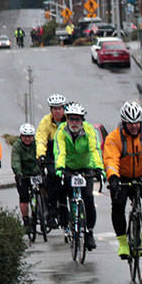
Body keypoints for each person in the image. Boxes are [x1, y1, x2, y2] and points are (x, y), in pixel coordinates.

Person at [104, 101, 142, 261]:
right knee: (118, 205)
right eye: (130, 123)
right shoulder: (114, 138)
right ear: (124, 123)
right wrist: (113, 177)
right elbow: (111, 159)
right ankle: (123, 243)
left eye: (137, 123)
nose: (134, 126)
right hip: (122, 176)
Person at [53, 103, 103, 250]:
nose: (74, 122)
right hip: (68, 166)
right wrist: (60, 168)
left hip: (85, 166)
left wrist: (99, 168)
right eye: (71, 119)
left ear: (82, 120)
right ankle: (64, 216)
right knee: (61, 188)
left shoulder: (89, 130)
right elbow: (60, 151)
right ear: (67, 119)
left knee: (88, 198)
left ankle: (89, 233)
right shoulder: (61, 131)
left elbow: (95, 150)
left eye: (77, 119)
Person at [36, 94, 68, 225]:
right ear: (51, 110)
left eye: (59, 108)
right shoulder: (46, 121)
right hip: (51, 154)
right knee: (52, 178)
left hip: (66, 153)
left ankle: (66, 210)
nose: (57, 111)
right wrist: (41, 155)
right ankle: (52, 213)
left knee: (67, 180)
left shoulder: (69, 119)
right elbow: (41, 139)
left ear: (64, 109)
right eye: (54, 109)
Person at [11, 123, 42, 232]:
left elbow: (41, 155)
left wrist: (41, 168)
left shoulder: (37, 144)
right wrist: (18, 172)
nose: (27, 139)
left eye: (30, 136)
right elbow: (15, 160)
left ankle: (45, 210)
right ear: (21, 136)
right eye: (25, 136)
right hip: (23, 174)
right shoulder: (17, 146)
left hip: (36, 172)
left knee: (45, 187)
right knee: (24, 197)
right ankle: (26, 220)